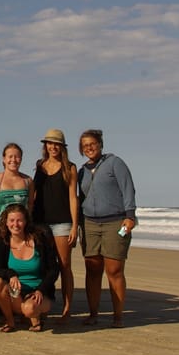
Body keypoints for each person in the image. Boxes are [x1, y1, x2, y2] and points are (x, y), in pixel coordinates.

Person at [77, 129, 137, 328]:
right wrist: (77, 223)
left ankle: (117, 316)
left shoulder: (115, 163)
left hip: (115, 222)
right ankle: (93, 314)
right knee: (92, 269)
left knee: (114, 270)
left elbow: (128, 188)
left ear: (100, 144)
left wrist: (130, 216)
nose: (89, 148)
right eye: (85, 145)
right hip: (89, 224)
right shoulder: (82, 171)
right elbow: (79, 199)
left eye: (92, 144)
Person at [31, 128, 80, 323]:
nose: (53, 147)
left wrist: (75, 226)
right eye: (49, 143)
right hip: (40, 222)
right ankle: (44, 303)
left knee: (64, 265)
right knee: (42, 265)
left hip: (62, 222)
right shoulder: (40, 166)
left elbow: (73, 198)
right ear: (45, 146)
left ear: (62, 147)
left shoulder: (70, 167)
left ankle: (67, 308)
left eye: (56, 144)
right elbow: (34, 194)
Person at [0, 203, 59, 332]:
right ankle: (10, 321)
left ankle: (34, 315)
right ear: (6, 222)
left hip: (38, 292)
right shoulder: (2, 241)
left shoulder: (39, 240)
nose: (16, 224)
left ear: (26, 221)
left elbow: (54, 270)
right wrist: (11, 274)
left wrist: (41, 290)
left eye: (19, 220)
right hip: (16, 293)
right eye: (12, 220)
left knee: (29, 309)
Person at [0, 143, 33, 255]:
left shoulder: (28, 181)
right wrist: (1, 225)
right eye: (10, 156)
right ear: (4, 159)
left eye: (17, 157)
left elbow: (30, 205)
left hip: (21, 228)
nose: (13, 160)